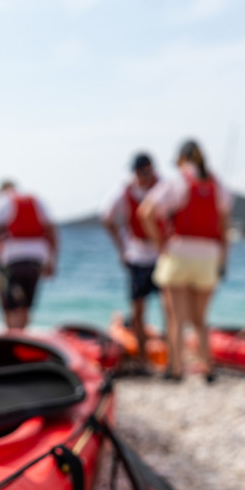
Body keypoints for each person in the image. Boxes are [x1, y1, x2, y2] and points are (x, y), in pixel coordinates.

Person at [139, 139, 232, 381]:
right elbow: (224, 228)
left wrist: (159, 242)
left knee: (176, 318)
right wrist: (223, 261)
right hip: (209, 255)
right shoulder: (217, 184)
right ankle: (208, 368)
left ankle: (177, 369)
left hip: (179, 251)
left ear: (181, 159)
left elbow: (145, 212)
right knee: (201, 318)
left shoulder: (176, 181)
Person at [102, 152, 164, 364]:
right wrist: (121, 247)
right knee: (138, 308)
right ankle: (143, 357)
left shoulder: (163, 187)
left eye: (147, 171)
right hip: (137, 255)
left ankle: (171, 354)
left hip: (161, 254)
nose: (144, 176)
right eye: (140, 172)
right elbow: (107, 217)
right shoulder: (124, 191)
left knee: (170, 306)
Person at [0, 181, 58, 329]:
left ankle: (12, 339)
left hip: (11, 261)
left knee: (9, 305)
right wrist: (52, 260)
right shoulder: (37, 202)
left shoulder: (2, 202)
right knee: (26, 305)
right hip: (36, 260)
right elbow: (52, 231)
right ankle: (21, 336)